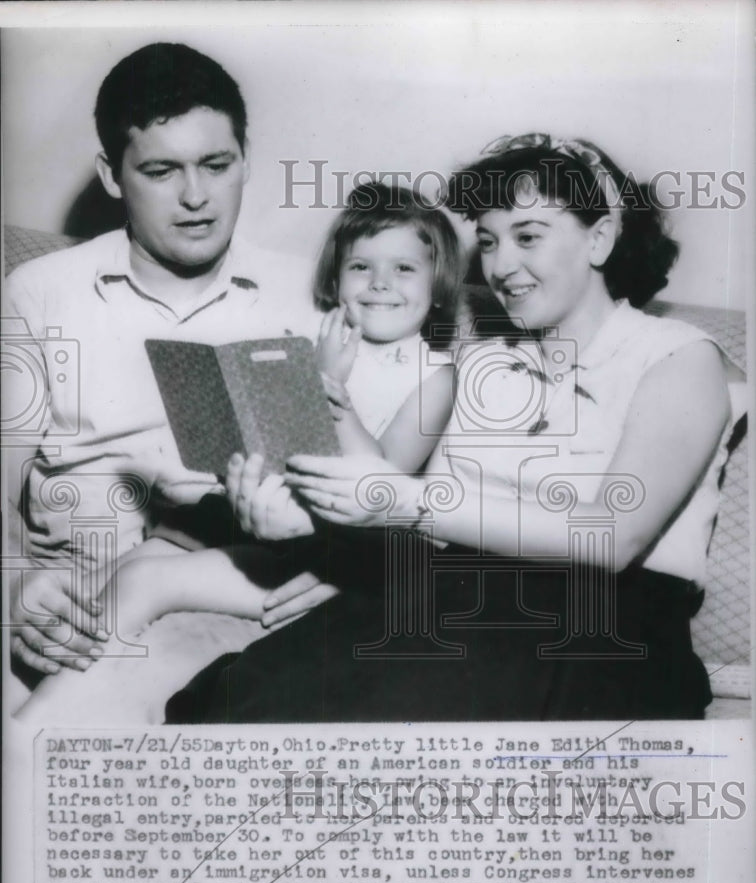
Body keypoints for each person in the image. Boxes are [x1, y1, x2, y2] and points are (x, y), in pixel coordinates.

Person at [167, 133, 744, 723]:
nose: (499, 266)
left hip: (602, 627)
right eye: (489, 242)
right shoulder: (474, 361)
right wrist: (328, 399)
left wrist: (406, 503)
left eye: (528, 237)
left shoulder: (678, 357)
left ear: (599, 238)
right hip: (448, 594)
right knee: (240, 707)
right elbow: (382, 482)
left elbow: (613, 536)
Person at [3, 42, 323, 692]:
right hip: (66, 591)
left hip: (228, 588)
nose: (196, 196)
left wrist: (341, 567)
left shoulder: (308, 294)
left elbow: (356, 483)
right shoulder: (39, 291)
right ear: (112, 174)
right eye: (161, 171)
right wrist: (12, 580)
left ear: (244, 161)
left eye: (216, 164)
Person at [62, 182, 461, 639]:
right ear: (336, 280)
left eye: (404, 268)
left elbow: (381, 478)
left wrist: (329, 388)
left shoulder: (434, 376)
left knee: (137, 586)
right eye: (360, 266)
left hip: (327, 540)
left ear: (439, 286)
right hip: (248, 510)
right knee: (87, 587)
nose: (380, 283)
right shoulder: (315, 334)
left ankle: (74, 677)